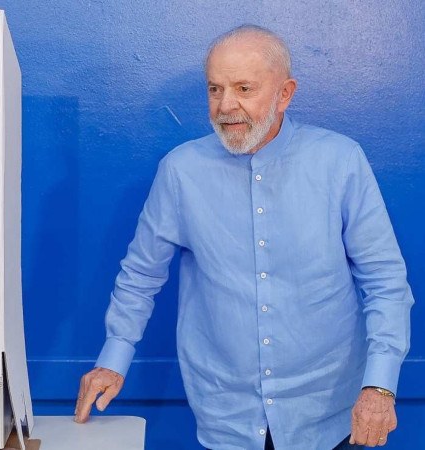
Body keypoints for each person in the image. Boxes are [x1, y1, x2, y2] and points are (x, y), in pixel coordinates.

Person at [74, 25, 414, 450]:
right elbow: (141, 274)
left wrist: (379, 388)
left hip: (329, 414)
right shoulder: (181, 171)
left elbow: (384, 281)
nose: (226, 105)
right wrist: (114, 359)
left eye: (244, 88)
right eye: (214, 89)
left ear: (285, 93)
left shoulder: (340, 161)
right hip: (225, 414)